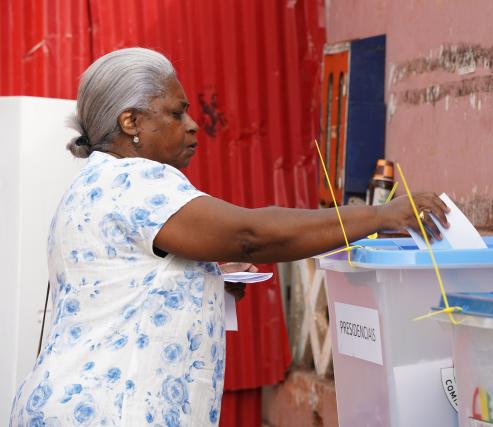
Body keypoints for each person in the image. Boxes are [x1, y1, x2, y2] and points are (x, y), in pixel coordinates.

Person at [9, 47, 450, 427]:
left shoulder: (92, 185)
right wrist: (380, 215)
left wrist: (204, 278)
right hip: (109, 411)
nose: (193, 125)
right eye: (176, 112)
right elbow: (250, 235)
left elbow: (125, 286)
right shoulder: (137, 181)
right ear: (131, 122)